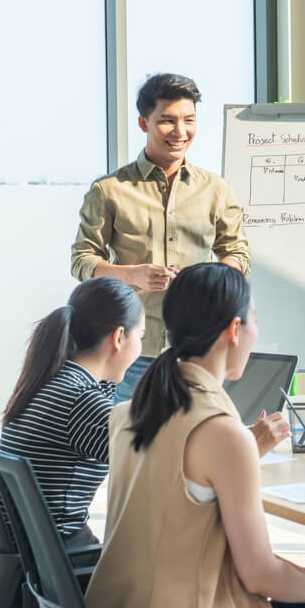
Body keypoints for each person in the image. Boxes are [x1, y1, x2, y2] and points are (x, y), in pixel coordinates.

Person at [85, 263, 305, 608]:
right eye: (254, 319)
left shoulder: (127, 412)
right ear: (235, 329)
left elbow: (189, 538)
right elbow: (258, 575)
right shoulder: (223, 433)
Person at [71, 72, 251, 404]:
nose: (180, 132)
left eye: (189, 120)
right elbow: (82, 262)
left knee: (193, 445)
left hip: (199, 349)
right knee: (128, 445)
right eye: (167, 121)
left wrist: (210, 282)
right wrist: (133, 275)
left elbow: (237, 252)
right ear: (144, 123)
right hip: (132, 352)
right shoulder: (109, 190)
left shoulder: (216, 189)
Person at [0, 277, 144, 561]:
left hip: (32, 553)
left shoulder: (51, 380)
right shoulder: (80, 401)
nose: (140, 347)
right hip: (58, 563)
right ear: (118, 338)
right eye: (140, 336)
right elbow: (157, 465)